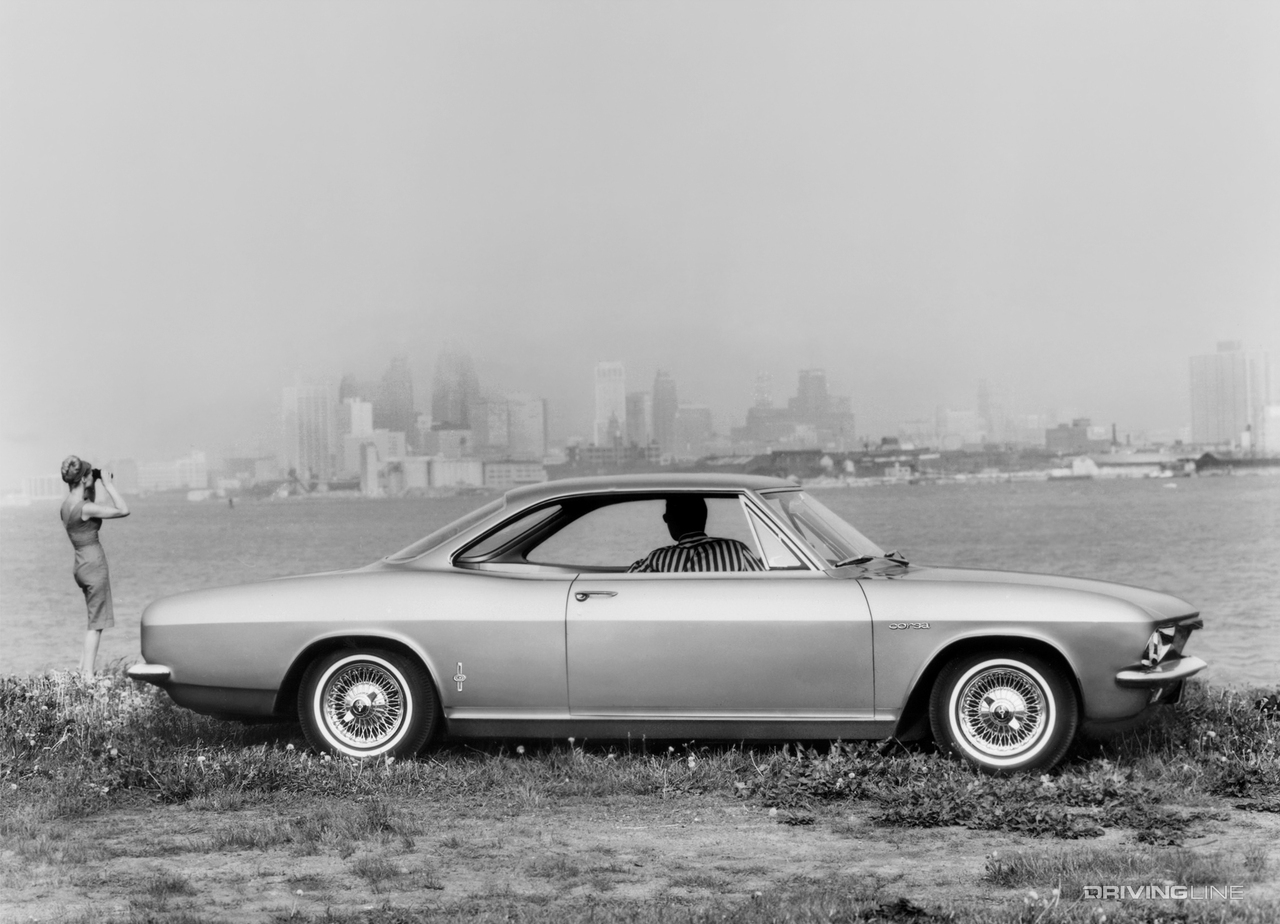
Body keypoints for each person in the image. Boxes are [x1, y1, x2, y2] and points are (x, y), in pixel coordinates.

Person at [59, 456, 130, 675]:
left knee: (93, 618)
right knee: (96, 624)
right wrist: (108, 485)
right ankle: (87, 676)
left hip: (80, 565)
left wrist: (92, 481)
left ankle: (82, 668)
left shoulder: (67, 506)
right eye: (90, 474)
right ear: (82, 480)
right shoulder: (87, 508)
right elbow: (123, 509)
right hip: (94, 565)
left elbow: (86, 501)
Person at [627, 496, 764, 573]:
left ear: (671, 520)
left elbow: (628, 583)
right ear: (704, 517)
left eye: (666, 517)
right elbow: (763, 585)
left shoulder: (658, 557)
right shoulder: (736, 549)